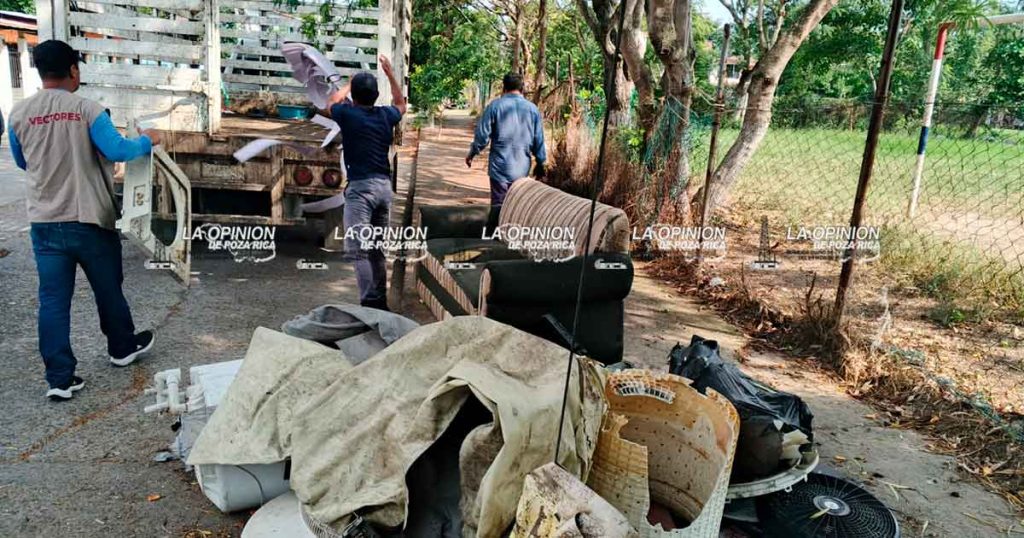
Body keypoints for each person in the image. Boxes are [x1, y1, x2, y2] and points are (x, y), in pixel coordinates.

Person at [8, 40, 160, 401]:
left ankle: (60, 378)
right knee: (108, 288)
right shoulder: (88, 110)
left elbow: (22, 161)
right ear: (73, 70)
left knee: (53, 301)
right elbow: (118, 150)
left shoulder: (19, 114)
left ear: (40, 72)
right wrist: (147, 141)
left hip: (44, 223)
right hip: (89, 219)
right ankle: (122, 348)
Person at [325, 54, 407, 311]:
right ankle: (379, 301)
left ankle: (369, 303)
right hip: (384, 189)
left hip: (361, 191)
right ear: (376, 96)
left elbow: (331, 102)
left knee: (359, 250)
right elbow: (401, 103)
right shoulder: (385, 115)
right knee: (377, 249)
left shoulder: (348, 115)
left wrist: (348, 84)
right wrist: (390, 74)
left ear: (355, 96)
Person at [466, 73, 547, 207]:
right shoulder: (533, 110)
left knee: (499, 206)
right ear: (522, 88)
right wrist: (540, 162)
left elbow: (482, 137)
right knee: (517, 207)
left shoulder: (494, 107)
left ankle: (495, 220)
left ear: (504, 88)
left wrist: (472, 153)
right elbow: (538, 140)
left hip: (499, 169)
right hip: (522, 169)